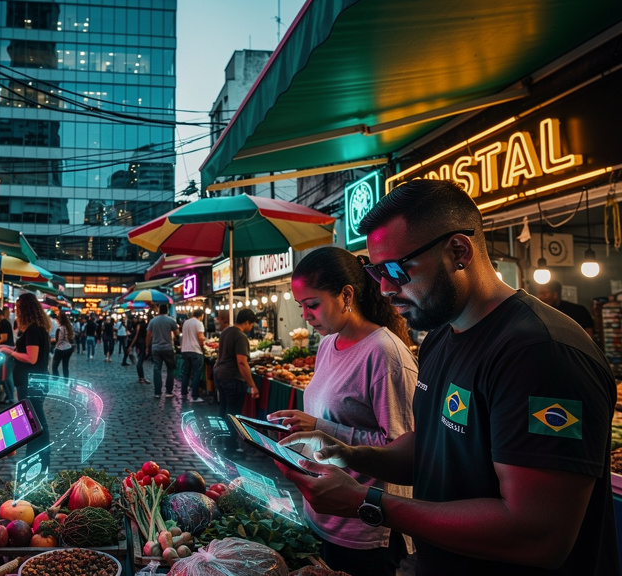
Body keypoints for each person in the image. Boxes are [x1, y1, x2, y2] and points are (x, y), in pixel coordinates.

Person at [279, 179, 618, 576]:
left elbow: (537, 534)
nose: (384, 288)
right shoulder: (442, 337)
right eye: (375, 271)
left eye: (396, 269)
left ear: (458, 251)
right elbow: (432, 447)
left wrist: (368, 503)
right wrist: (347, 454)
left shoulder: (540, 352)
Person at [268, 246, 417, 576]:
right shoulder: (327, 345)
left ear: (346, 295)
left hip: (364, 527)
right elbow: (327, 423)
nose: (305, 316)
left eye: (312, 304)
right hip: (321, 514)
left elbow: (401, 450)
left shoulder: (384, 354)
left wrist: (319, 427)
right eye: (301, 306)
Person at [0, 292, 51, 464]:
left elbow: (31, 358)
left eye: (18, 308)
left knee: (37, 423)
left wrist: (10, 352)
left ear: (25, 309)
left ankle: (40, 460)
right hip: (34, 381)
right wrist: (11, 348)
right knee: (33, 422)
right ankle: (34, 458)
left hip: (31, 382)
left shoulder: (33, 330)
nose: (16, 311)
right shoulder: (37, 329)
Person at [214, 308, 260, 451]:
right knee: (232, 413)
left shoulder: (226, 331)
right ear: (247, 322)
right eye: (251, 324)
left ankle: (220, 438)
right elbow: (242, 362)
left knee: (224, 409)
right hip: (232, 377)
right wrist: (252, 385)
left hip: (219, 374)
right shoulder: (240, 336)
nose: (251, 327)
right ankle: (230, 445)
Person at [146, 304, 179, 398]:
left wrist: (147, 347)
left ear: (159, 311)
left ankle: (157, 392)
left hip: (156, 348)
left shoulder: (152, 321)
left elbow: (148, 335)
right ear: (167, 311)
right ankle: (169, 391)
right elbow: (177, 333)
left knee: (157, 369)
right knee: (170, 369)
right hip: (168, 348)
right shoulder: (171, 320)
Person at [180, 309, 207, 402]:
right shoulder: (199, 323)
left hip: (185, 350)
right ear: (201, 315)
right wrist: (202, 346)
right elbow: (200, 337)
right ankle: (195, 396)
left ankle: (183, 393)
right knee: (196, 373)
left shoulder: (186, 322)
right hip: (195, 350)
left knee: (186, 373)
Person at [51, 310, 75, 378]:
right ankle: (66, 380)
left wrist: (54, 343)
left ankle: (56, 378)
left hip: (60, 349)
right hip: (68, 348)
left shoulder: (60, 328)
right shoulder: (68, 327)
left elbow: (59, 340)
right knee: (65, 366)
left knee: (54, 366)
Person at [129, 317, 149, 384]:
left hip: (140, 345)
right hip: (144, 345)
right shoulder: (147, 327)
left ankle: (141, 378)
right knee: (140, 361)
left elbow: (136, 336)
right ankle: (141, 377)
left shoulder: (139, 327)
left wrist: (131, 346)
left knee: (139, 362)